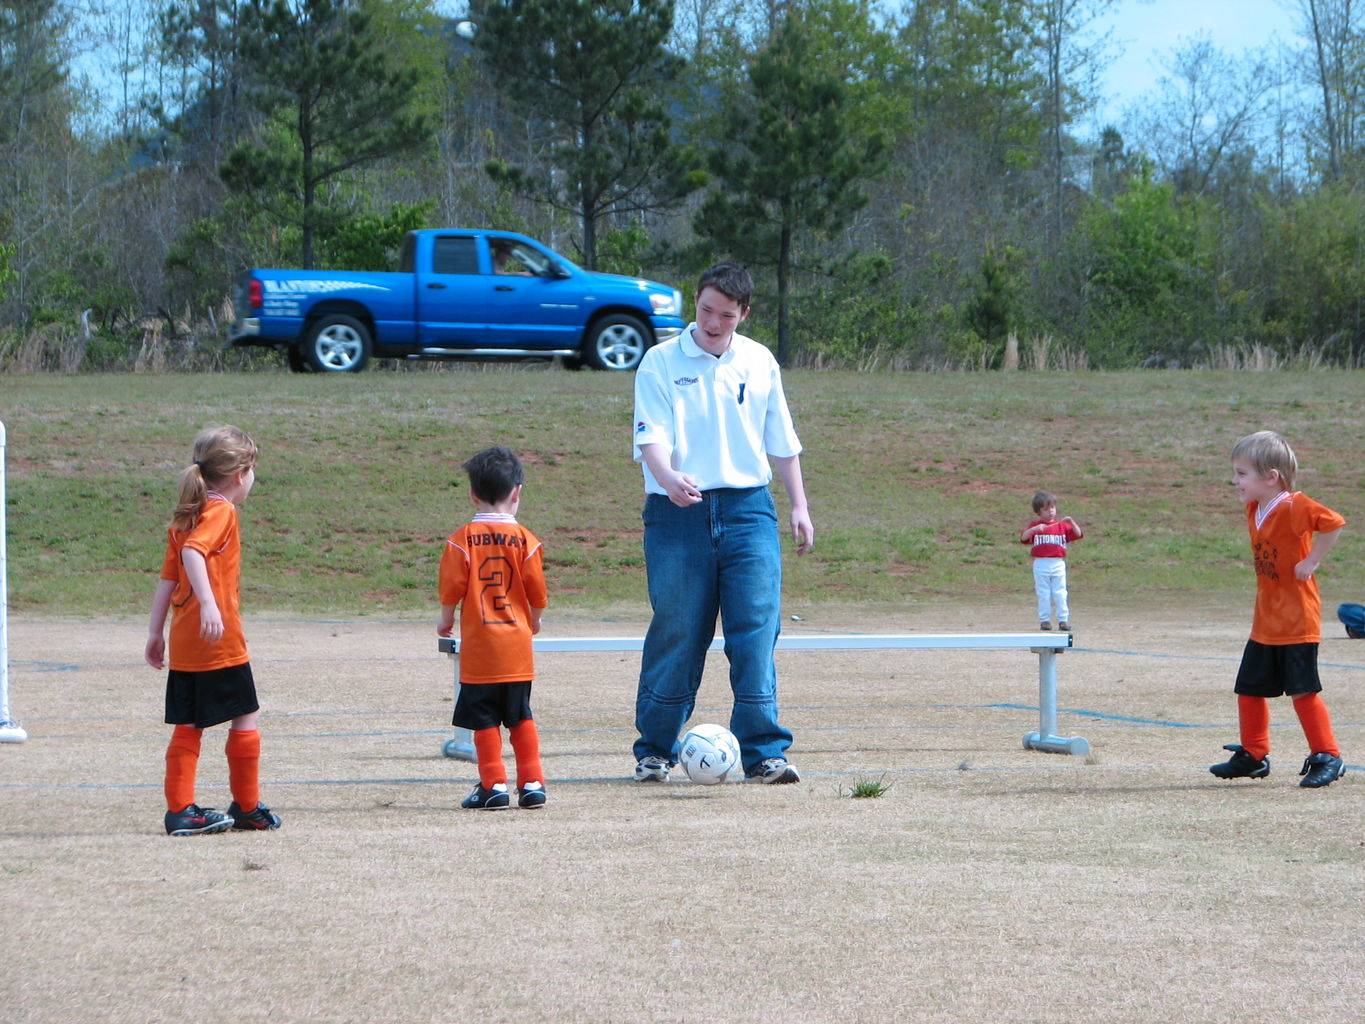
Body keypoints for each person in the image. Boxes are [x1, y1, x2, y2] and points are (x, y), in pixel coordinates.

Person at [630, 261, 814, 785]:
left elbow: (782, 440)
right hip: (676, 512)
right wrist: (667, 477)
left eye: (726, 315)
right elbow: (651, 436)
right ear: (697, 304)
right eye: (706, 310)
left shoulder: (760, 362)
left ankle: (765, 752)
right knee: (679, 629)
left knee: (755, 629)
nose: (713, 322)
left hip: (749, 509)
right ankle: (655, 749)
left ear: (743, 314)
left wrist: (799, 505)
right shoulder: (659, 361)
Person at [145, 425, 280, 836]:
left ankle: (180, 809)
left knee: (189, 721)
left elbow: (168, 580)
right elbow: (192, 553)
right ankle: (247, 806)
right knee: (246, 714)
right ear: (241, 475)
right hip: (216, 637)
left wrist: (155, 632)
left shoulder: (186, 515)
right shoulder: (221, 510)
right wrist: (209, 603)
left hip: (186, 639)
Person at [1210, 430, 1347, 789]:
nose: (1235, 480)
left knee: (1302, 691)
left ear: (1271, 477)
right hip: (1266, 620)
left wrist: (1311, 561)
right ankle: (1254, 755)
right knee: (1250, 688)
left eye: (1242, 473)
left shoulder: (1294, 505)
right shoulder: (1255, 507)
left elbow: (1333, 523)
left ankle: (1327, 755)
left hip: (1297, 619)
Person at [438, 446, 549, 810]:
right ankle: (532, 782)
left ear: (472, 493)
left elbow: (451, 587)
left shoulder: (461, 539)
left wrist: (446, 620)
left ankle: (494, 784)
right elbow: (537, 591)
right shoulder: (527, 540)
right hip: (516, 646)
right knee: (520, 715)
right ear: (517, 492)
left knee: (483, 718)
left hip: (481, 648)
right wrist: (534, 620)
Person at [1020, 490, 1083, 631]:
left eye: (1052, 508)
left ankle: (1063, 620)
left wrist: (1071, 522)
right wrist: (1036, 528)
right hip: (1041, 563)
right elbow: (1024, 538)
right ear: (1039, 512)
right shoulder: (1036, 526)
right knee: (1043, 593)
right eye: (1046, 510)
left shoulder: (1061, 526)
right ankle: (1045, 620)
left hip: (1057, 563)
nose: (1051, 512)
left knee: (1060, 592)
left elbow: (1078, 534)